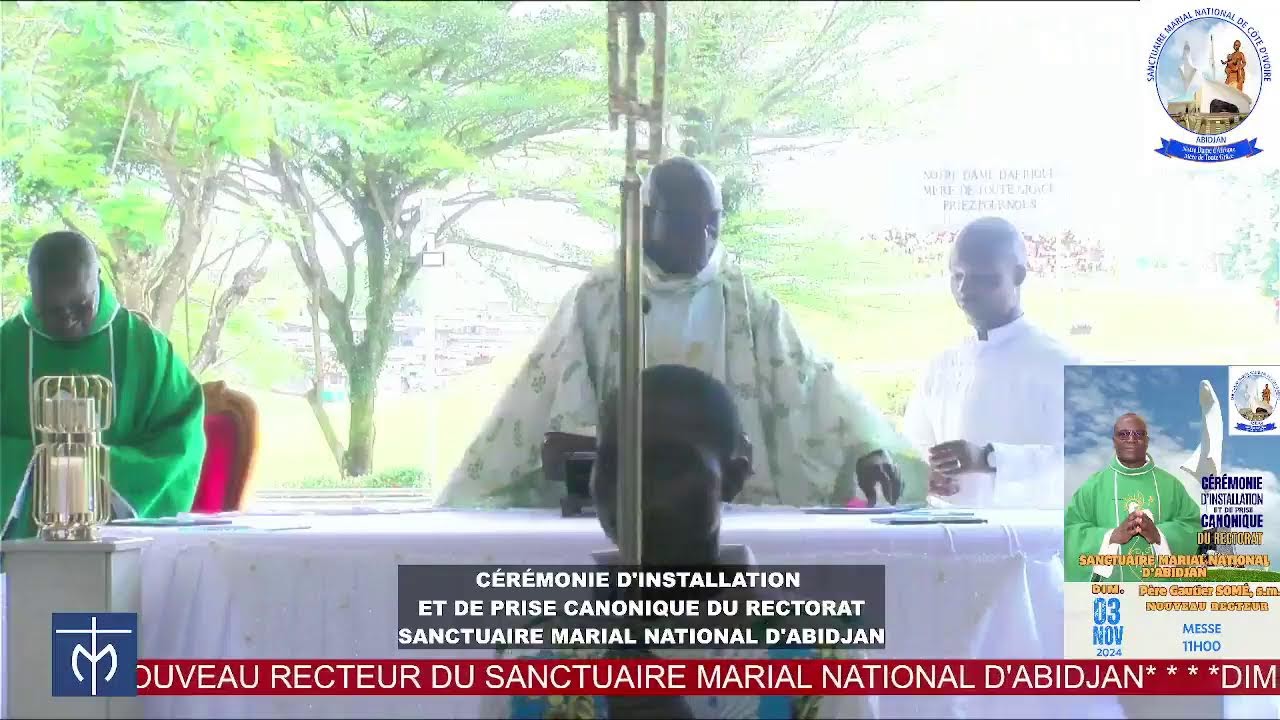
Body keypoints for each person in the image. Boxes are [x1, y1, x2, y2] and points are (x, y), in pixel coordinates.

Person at [438, 156, 923, 509]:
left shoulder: (746, 303)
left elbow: (812, 380)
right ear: (647, 219)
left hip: (725, 507)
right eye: (689, 222)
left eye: (714, 222)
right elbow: (545, 408)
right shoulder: (599, 299)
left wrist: (865, 447)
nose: (705, 237)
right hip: (618, 511)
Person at [482, 364, 876, 720]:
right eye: (615, 462)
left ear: (733, 477)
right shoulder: (533, 654)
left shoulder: (818, 656)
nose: (633, 490)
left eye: (667, 463)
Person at [1, 231, 206, 540]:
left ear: (97, 277)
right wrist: (34, 462)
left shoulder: (146, 349)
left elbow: (181, 439)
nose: (67, 318)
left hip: (123, 540)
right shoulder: (7, 347)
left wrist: (99, 464)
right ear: (33, 291)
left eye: (80, 305)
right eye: (52, 310)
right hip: (19, 546)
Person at [903, 217, 1079, 508]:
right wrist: (925, 474)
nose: (965, 289)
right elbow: (914, 444)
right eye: (957, 276)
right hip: (946, 530)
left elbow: (1087, 460)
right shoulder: (942, 365)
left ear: (1018, 275)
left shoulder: (1062, 364)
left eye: (983, 278)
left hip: (1033, 533)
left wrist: (989, 458)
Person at [1063, 413, 1201, 583]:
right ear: (1114, 441)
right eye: (1123, 434)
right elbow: (1070, 530)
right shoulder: (1092, 487)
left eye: (1138, 434)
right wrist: (1110, 536)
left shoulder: (1171, 485)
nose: (1131, 439)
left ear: (1147, 441)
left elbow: (1192, 525)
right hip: (1110, 593)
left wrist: (1159, 535)